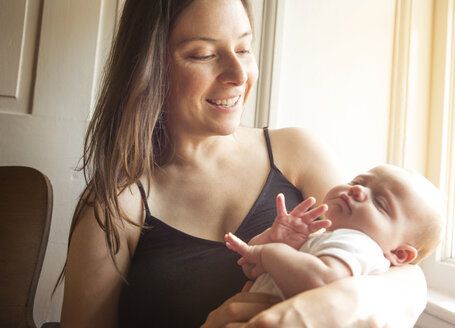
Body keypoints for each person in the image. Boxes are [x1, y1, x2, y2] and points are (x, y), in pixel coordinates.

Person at [59, 0, 428, 327]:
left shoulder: (296, 151)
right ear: (149, 67)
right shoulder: (114, 205)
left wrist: (309, 313)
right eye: (203, 54)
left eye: (245, 48)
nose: (238, 75)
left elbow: (399, 271)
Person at [225, 164, 444, 300]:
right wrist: (274, 240)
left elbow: (321, 282)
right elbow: (250, 268)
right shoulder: (327, 239)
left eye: (379, 202)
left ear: (398, 254)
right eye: (358, 181)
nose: (358, 190)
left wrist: (269, 253)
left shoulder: (361, 245)